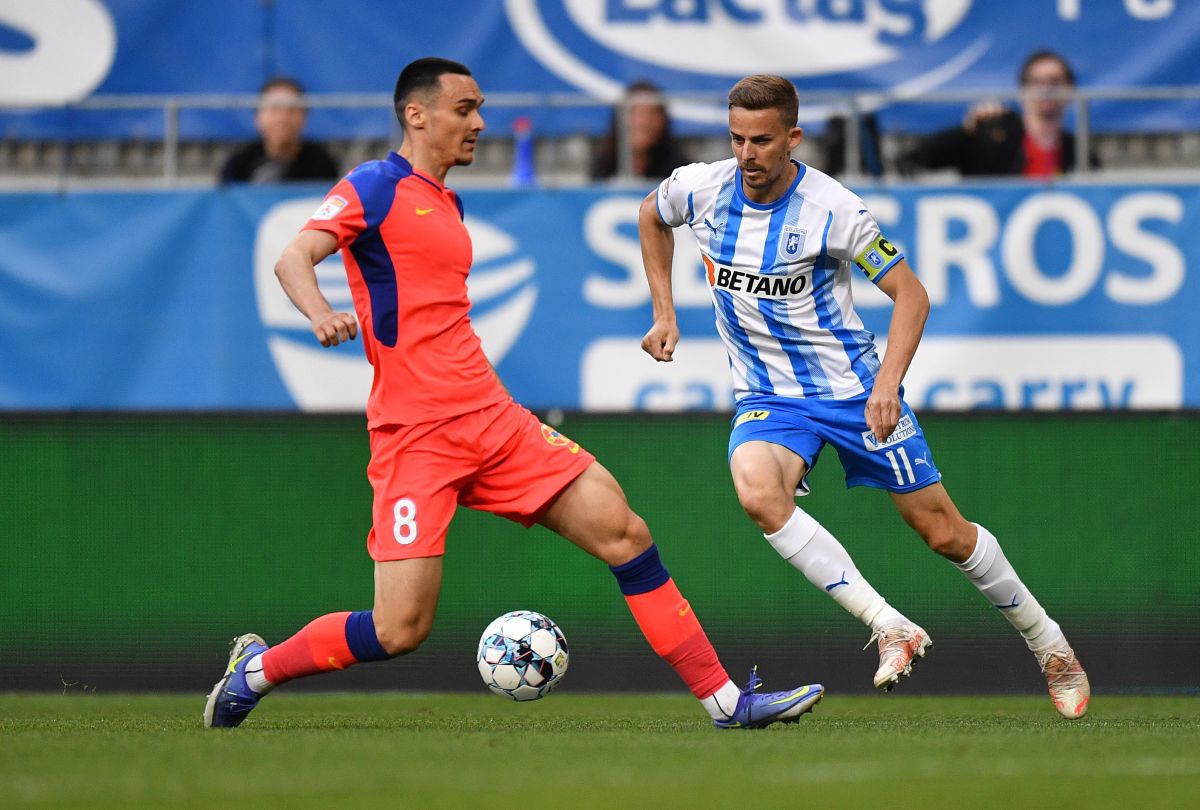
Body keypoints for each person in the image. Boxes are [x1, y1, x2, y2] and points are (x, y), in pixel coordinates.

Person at [204, 58, 822, 731]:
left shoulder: (447, 200)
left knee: (625, 532)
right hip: (415, 435)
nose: (479, 122)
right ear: (417, 115)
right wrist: (319, 312)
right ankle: (257, 671)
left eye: (479, 108)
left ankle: (726, 702)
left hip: (493, 419)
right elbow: (293, 256)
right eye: (464, 109)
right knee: (398, 627)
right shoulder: (373, 187)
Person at [638, 74, 1090, 719]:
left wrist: (886, 388)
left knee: (944, 534)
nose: (747, 155)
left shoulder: (835, 211)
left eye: (762, 141)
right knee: (756, 491)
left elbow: (912, 294)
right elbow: (650, 215)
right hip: (769, 395)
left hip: (853, 391)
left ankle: (1051, 648)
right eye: (736, 139)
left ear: (792, 138)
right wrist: (665, 310)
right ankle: (890, 626)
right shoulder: (700, 188)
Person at [902, 50, 1095, 178]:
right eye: (1036, 82)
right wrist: (968, 131)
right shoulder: (993, 134)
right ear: (1021, 92)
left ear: (1070, 91)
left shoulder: (1079, 152)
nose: (1045, 90)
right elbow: (918, 158)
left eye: (1054, 81)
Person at [220, 76, 340, 183]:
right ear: (258, 116)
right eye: (274, 109)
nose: (283, 118)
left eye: (291, 110)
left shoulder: (323, 164)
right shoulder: (239, 165)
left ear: (304, 117)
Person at [590, 80, 691, 181]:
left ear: (664, 120)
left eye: (652, 113)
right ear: (618, 118)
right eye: (635, 113)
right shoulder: (601, 167)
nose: (643, 122)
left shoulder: (681, 171)